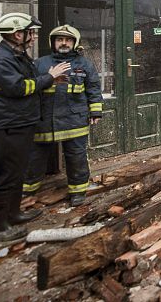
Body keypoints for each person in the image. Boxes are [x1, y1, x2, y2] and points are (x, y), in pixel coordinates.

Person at [0, 13, 71, 241]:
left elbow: (29, 82)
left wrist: (49, 80)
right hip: (5, 124)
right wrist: (49, 77)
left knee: (17, 170)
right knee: (6, 172)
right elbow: (18, 88)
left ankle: (13, 212)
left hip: (19, 121)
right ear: (17, 34)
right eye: (30, 32)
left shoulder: (17, 55)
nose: (34, 36)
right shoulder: (0, 58)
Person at [24, 25, 102, 207]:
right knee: (35, 158)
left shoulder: (85, 64)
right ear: (53, 43)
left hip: (74, 119)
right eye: (59, 40)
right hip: (44, 120)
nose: (64, 43)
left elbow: (93, 89)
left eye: (67, 40)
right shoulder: (39, 64)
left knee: (76, 156)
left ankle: (78, 191)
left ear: (74, 43)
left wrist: (96, 111)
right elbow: (29, 88)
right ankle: (26, 194)